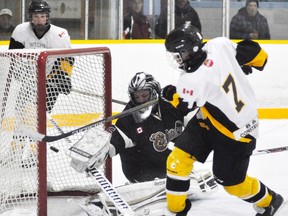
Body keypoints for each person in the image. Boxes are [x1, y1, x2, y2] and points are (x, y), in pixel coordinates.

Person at [161, 22, 284, 215]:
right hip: (211, 118)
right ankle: (176, 210)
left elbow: (183, 108)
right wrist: (247, 62)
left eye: (179, 55)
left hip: (236, 133)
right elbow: (258, 57)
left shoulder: (191, 80)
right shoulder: (219, 45)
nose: (177, 60)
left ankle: (270, 200)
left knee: (232, 184)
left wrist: (170, 94)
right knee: (178, 160)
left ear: (191, 50)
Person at [67, 72, 218, 215]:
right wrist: (95, 154)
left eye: (145, 95)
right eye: (137, 97)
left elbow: (196, 114)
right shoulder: (130, 118)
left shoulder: (169, 104)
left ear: (154, 92)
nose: (141, 100)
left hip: (172, 166)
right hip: (140, 170)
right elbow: (115, 141)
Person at [7, 0, 73, 167]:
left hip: (50, 83)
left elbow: (67, 58)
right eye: (36, 16)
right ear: (31, 17)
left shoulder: (60, 35)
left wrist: (64, 77)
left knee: (36, 118)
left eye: (42, 16)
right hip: (28, 81)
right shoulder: (21, 31)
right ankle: (16, 151)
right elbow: (13, 56)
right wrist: (20, 73)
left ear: (47, 17)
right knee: (23, 116)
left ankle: (35, 154)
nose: (39, 20)